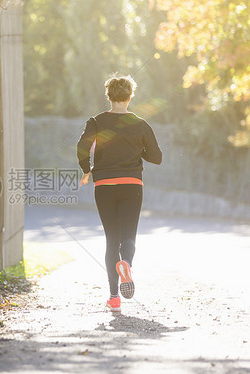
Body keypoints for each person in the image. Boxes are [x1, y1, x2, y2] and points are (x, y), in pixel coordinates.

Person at [77, 73, 162, 313]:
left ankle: (114, 297)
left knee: (111, 239)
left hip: (104, 185)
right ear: (130, 96)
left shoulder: (96, 121)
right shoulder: (140, 124)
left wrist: (86, 170)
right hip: (131, 184)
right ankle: (127, 264)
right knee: (129, 236)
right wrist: (136, 149)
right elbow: (157, 157)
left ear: (109, 96)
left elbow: (82, 146)